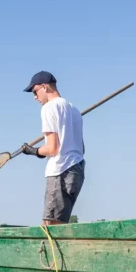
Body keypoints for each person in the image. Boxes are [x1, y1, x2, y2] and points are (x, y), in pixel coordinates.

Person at [20, 71, 86, 225]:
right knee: (60, 224)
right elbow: (81, 148)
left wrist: (33, 151)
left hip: (60, 170)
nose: (34, 97)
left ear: (45, 87)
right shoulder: (74, 110)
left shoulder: (49, 108)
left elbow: (52, 149)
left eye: (35, 91)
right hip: (77, 170)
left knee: (50, 226)